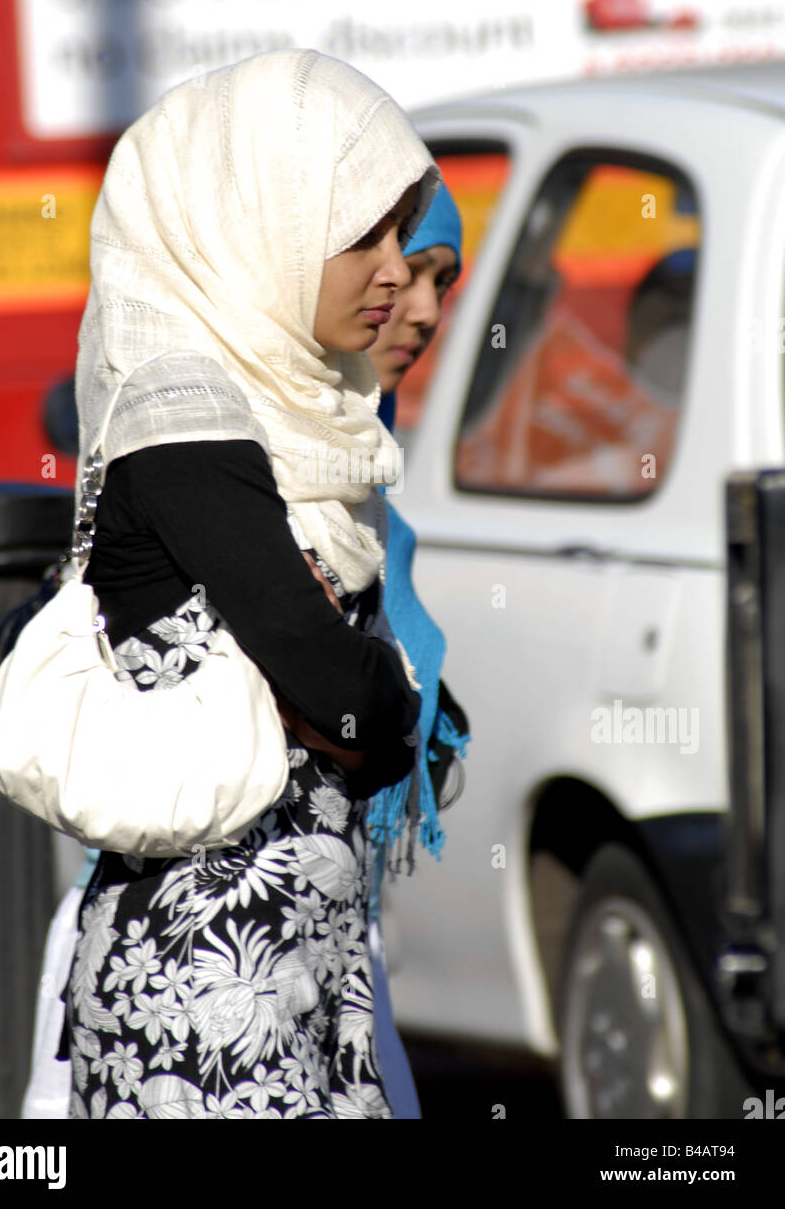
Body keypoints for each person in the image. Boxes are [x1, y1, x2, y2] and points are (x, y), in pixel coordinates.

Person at [53, 48, 444, 1119]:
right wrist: (384, 702)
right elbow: (338, 679)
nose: (393, 271)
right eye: (360, 233)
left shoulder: (298, 415)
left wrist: (359, 705)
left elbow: (339, 701)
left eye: (403, 237)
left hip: (303, 969)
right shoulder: (182, 415)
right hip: (203, 997)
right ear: (257, 215)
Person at [362, 183, 470, 1119]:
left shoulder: (364, 456)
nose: (429, 312)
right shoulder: (252, 457)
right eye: (405, 274)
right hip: (217, 959)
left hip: (334, 937)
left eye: (443, 279)